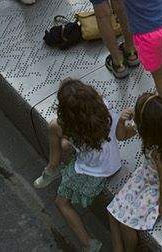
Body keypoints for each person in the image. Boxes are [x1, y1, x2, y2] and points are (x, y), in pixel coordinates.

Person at [32, 79, 129, 251]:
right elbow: (121, 135)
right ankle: (52, 168)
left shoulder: (68, 126)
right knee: (62, 142)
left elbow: (62, 131)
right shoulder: (104, 109)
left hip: (93, 171)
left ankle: (88, 244)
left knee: (61, 202)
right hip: (112, 162)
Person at [107, 94, 162, 247]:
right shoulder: (155, 131)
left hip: (158, 184)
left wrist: (161, 208)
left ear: (146, 124)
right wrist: (120, 120)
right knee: (113, 212)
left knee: (126, 223)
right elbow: (121, 135)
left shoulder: (159, 152)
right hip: (148, 174)